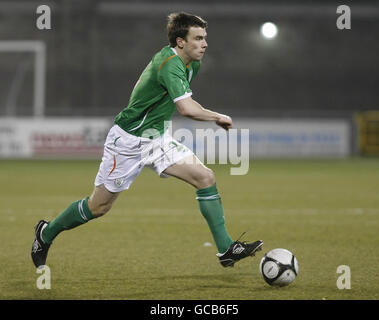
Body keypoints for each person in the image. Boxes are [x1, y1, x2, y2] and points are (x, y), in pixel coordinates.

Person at [31, 12, 263, 269]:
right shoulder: (170, 63)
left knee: (205, 177)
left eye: (205, 38)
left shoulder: (190, 63)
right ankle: (46, 233)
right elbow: (186, 108)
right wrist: (217, 116)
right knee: (98, 207)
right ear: (180, 41)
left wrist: (203, 115)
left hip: (156, 138)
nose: (205, 44)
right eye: (198, 38)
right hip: (128, 141)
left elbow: (183, 101)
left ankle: (226, 249)